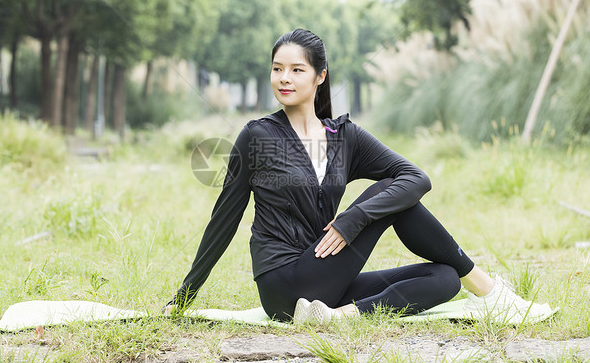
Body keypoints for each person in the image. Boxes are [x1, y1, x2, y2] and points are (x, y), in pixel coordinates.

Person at [167, 28, 549, 324]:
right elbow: (225, 217)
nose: (284, 78)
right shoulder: (258, 136)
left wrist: (352, 219)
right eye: (277, 69)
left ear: (319, 77)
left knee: (445, 278)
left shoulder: (344, 136)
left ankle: (337, 318)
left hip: (325, 283)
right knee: (392, 195)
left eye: (297, 70)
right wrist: (184, 297)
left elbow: (417, 177)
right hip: (284, 284)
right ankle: (488, 290)